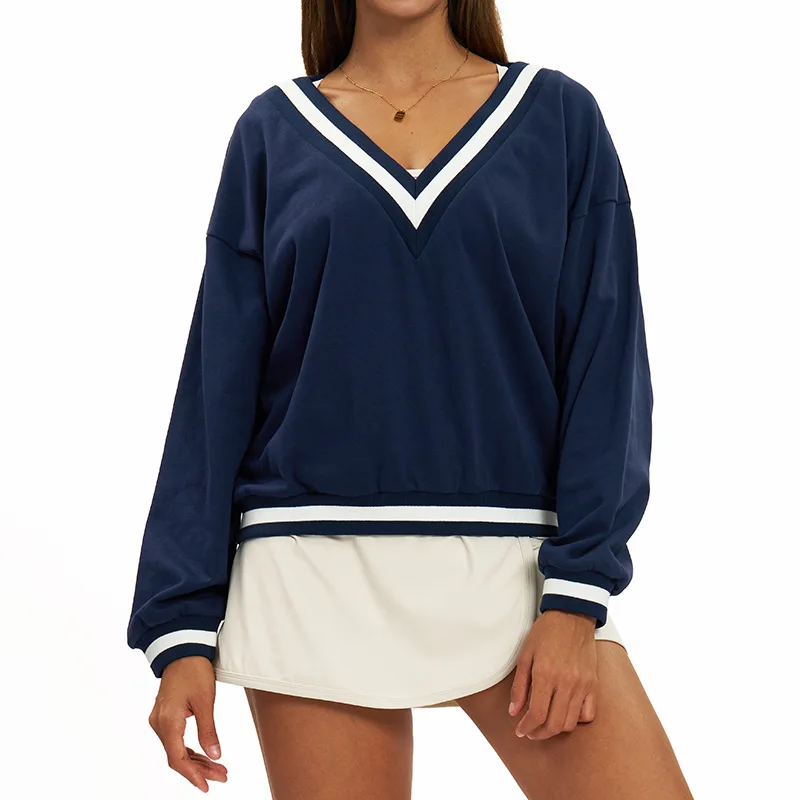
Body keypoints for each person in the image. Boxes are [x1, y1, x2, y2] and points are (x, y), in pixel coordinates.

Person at [126, 1, 695, 797]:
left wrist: (577, 596)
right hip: (309, 570)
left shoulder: (560, 119)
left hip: (520, 573)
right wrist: (181, 626)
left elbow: (607, 369)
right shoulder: (272, 131)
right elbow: (214, 392)